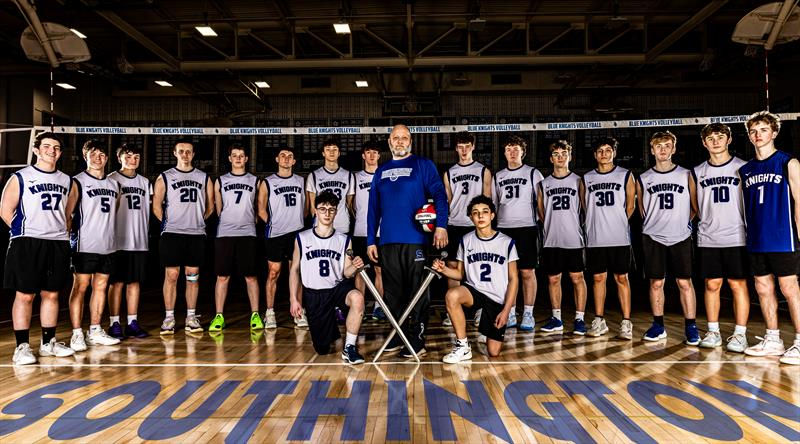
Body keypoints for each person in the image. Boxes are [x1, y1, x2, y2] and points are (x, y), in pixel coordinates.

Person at [367, 124, 449, 357]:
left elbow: (440, 196)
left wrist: (441, 225)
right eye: (396, 138)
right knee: (393, 293)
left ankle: (417, 339)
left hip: (416, 240)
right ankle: (399, 334)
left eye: (405, 138)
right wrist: (371, 239)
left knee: (418, 291)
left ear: (410, 141)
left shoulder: (423, 165)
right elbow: (373, 209)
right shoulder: (380, 171)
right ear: (389, 142)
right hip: (388, 242)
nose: (400, 141)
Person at [2, 132, 75, 364]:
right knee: (25, 295)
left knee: (51, 294)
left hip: (57, 242)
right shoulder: (21, 177)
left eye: (56, 147)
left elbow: (67, 214)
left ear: (60, 152)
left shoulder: (67, 180)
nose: (51, 151)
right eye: (46, 146)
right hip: (27, 241)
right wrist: (27, 231)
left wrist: (59, 233)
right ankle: (22, 347)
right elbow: (5, 210)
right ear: (36, 150)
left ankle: (48, 343)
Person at [739, 111, 800, 364]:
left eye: (763, 130)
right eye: (753, 131)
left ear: (774, 133)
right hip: (757, 239)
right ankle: (773, 339)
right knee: (763, 288)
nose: (758, 135)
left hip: (783, 237)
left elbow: (799, 200)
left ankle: (799, 341)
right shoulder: (745, 170)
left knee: (789, 289)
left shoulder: (789, 162)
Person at [433, 196, 518, 362]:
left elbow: (514, 279)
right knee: (452, 295)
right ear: (471, 217)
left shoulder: (506, 242)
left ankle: (486, 330)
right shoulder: (466, 240)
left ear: (492, 215)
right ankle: (463, 346)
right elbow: (460, 274)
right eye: (475, 213)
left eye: (485, 212)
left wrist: (506, 311)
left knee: (493, 352)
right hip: (474, 291)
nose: (480, 216)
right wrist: (444, 270)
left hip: (496, 299)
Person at [636, 131, 699, 345]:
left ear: (673, 149)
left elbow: (694, 206)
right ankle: (658, 325)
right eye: (658, 146)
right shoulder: (643, 178)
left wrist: (681, 223)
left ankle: (691, 326)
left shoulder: (686, 174)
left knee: (684, 282)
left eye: (667, 145)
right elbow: (642, 209)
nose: (662, 149)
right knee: (656, 283)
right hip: (654, 236)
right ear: (652, 150)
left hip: (680, 235)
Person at [288, 191, 366, 364]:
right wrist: (294, 299)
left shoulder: (344, 239)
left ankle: (350, 348)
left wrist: (355, 265)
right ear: (315, 211)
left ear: (336, 212)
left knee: (357, 298)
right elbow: (294, 270)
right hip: (314, 294)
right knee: (322, 349)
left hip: (336, 288)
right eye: (323, 209)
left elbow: (346, 272)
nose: (327, 213)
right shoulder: (302, 238)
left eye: (331, 209)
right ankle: (330, 328)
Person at [691, 124, 750, 351]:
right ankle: (713, 331)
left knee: (738, 284)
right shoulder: (697, 171)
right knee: (711, 284)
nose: (716, 141)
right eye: (711, 138)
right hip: (708, 237)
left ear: (729, 140)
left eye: (720, 137)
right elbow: (695, 204)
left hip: (737, 236)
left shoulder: (743, 168)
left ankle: (740, 334)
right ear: (704, 143)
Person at [152, 139, 214, 335]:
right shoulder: (165, 177)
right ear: (175, 153)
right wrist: (170, 223)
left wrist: (197, 221)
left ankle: (191, 316)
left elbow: (210, 206)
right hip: (172, 234)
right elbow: (156, 205)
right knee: (171, 275)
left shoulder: (204, 177)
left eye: (188, 151)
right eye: (181, 151)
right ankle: (169, 317)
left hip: (195, 234)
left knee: (192, 277)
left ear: (193, 154)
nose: (185, 155)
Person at [66, 140, 121, 350]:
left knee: (101, 287)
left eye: (101, 154)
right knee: (81, 287)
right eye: (93, 154)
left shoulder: (113, 184)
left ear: (107, 158)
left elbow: (113, 212)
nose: (98, 158)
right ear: (85, 157)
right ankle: (77, 333)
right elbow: (68, 215)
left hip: (107, 245)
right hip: (84, 244)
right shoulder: (77, 181)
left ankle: (95, 330)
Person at [582, 137, 635, 339]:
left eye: (608, 150)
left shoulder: (625, 175)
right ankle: (599, 320)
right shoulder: (587, 178)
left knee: (622, 278)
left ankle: (626, 322)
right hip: (596, 237)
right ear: (595, 155)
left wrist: (617, 221)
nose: (604, 154)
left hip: (619, 237)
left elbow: (630, 206)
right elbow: (585, 206)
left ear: (614, 153)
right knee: (598, 278)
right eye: (600, 151)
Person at [492, 135, 543, 331]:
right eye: (508, 149)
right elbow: (494, 205)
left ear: (523, 152)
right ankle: (510, 310)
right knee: (507, 274)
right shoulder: (498, 176)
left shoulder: (533, 173)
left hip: (528, 227)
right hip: (504, 229)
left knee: (527, 272)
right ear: (504, 153)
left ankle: (528, 313)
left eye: (516, 149)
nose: (512, 152)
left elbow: (541, 204)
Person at [537, 140, 588, 335]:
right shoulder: (543, 184)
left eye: (563, 153)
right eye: (556, 154)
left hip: (573, 239)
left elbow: (584, 208)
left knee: (577, 278)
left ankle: (579, 318)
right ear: (551, 159)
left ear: (570, 157)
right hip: (552, 239)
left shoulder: (578, 181)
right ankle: (556, 318)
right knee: (553, 279)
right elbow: (542, 213)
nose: (560, 157)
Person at [209, 144, 261, 332]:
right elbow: (218, 208)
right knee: (222, 277)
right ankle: (219, 316)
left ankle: (255, 315)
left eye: (241, 155)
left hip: (247, 233)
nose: (238, 158)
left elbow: (258, 207)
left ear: (246, 159)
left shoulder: (255, 181)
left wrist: (250, 222)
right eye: (234, 155)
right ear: (230, 159)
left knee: (251, 276)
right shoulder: (220, 181)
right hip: (225, 233)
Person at [259, 147, 308, 329]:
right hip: (276, 233)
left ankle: (298, 311)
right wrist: (274, 223)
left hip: (296, 233)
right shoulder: (268, 182)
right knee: (274, 273)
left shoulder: (301, 181)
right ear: (277, 159)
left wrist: (297, 222)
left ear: (294, 161)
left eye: (290, 156)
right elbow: (261, 208)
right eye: (283, 156)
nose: (286, 159)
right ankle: (270, 313)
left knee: (297, 273)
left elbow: (306, 207)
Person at [107, 144, 150, 339]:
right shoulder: (111, 180)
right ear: (120, 158)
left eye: (137, 157)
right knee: (116, 283)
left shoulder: (144, 182)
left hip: (139, 239)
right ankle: (114, 322)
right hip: (116, 241)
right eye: (129, 156)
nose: (133, 160)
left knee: (134, 282)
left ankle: (132, 321)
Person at [442, 132, 492, 293]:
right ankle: (454, 308)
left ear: (473, 147)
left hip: (475, 225)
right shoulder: (449, 173)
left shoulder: (483, 171)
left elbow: (487, 201)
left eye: (467, 147)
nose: (464, 150)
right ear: (456, 149)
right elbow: (449, 201)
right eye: (461, 147)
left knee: (477, 265)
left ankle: (480, 308)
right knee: (452, 265)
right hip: (455, 224)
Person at [351, 141, 385, 320]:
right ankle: (360, 307)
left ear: (379, 156)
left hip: (381, 233)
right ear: (363, 156)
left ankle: (380, 306)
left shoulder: (385, 176)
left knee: (380, 271)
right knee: (361, 270)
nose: (372, 156)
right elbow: (351, 205)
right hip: (361, 231)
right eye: (368, 152)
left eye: (375, 153)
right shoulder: (355, 178)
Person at [306, 138, 354, 234]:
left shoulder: (348, 175)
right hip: (321, 226)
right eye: (328, 149)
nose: (331, 152)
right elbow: (312, 207)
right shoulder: (314, 175)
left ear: (339, 153)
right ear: (323, 153)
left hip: (342, 225)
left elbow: (349, 205)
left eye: (334, 149)